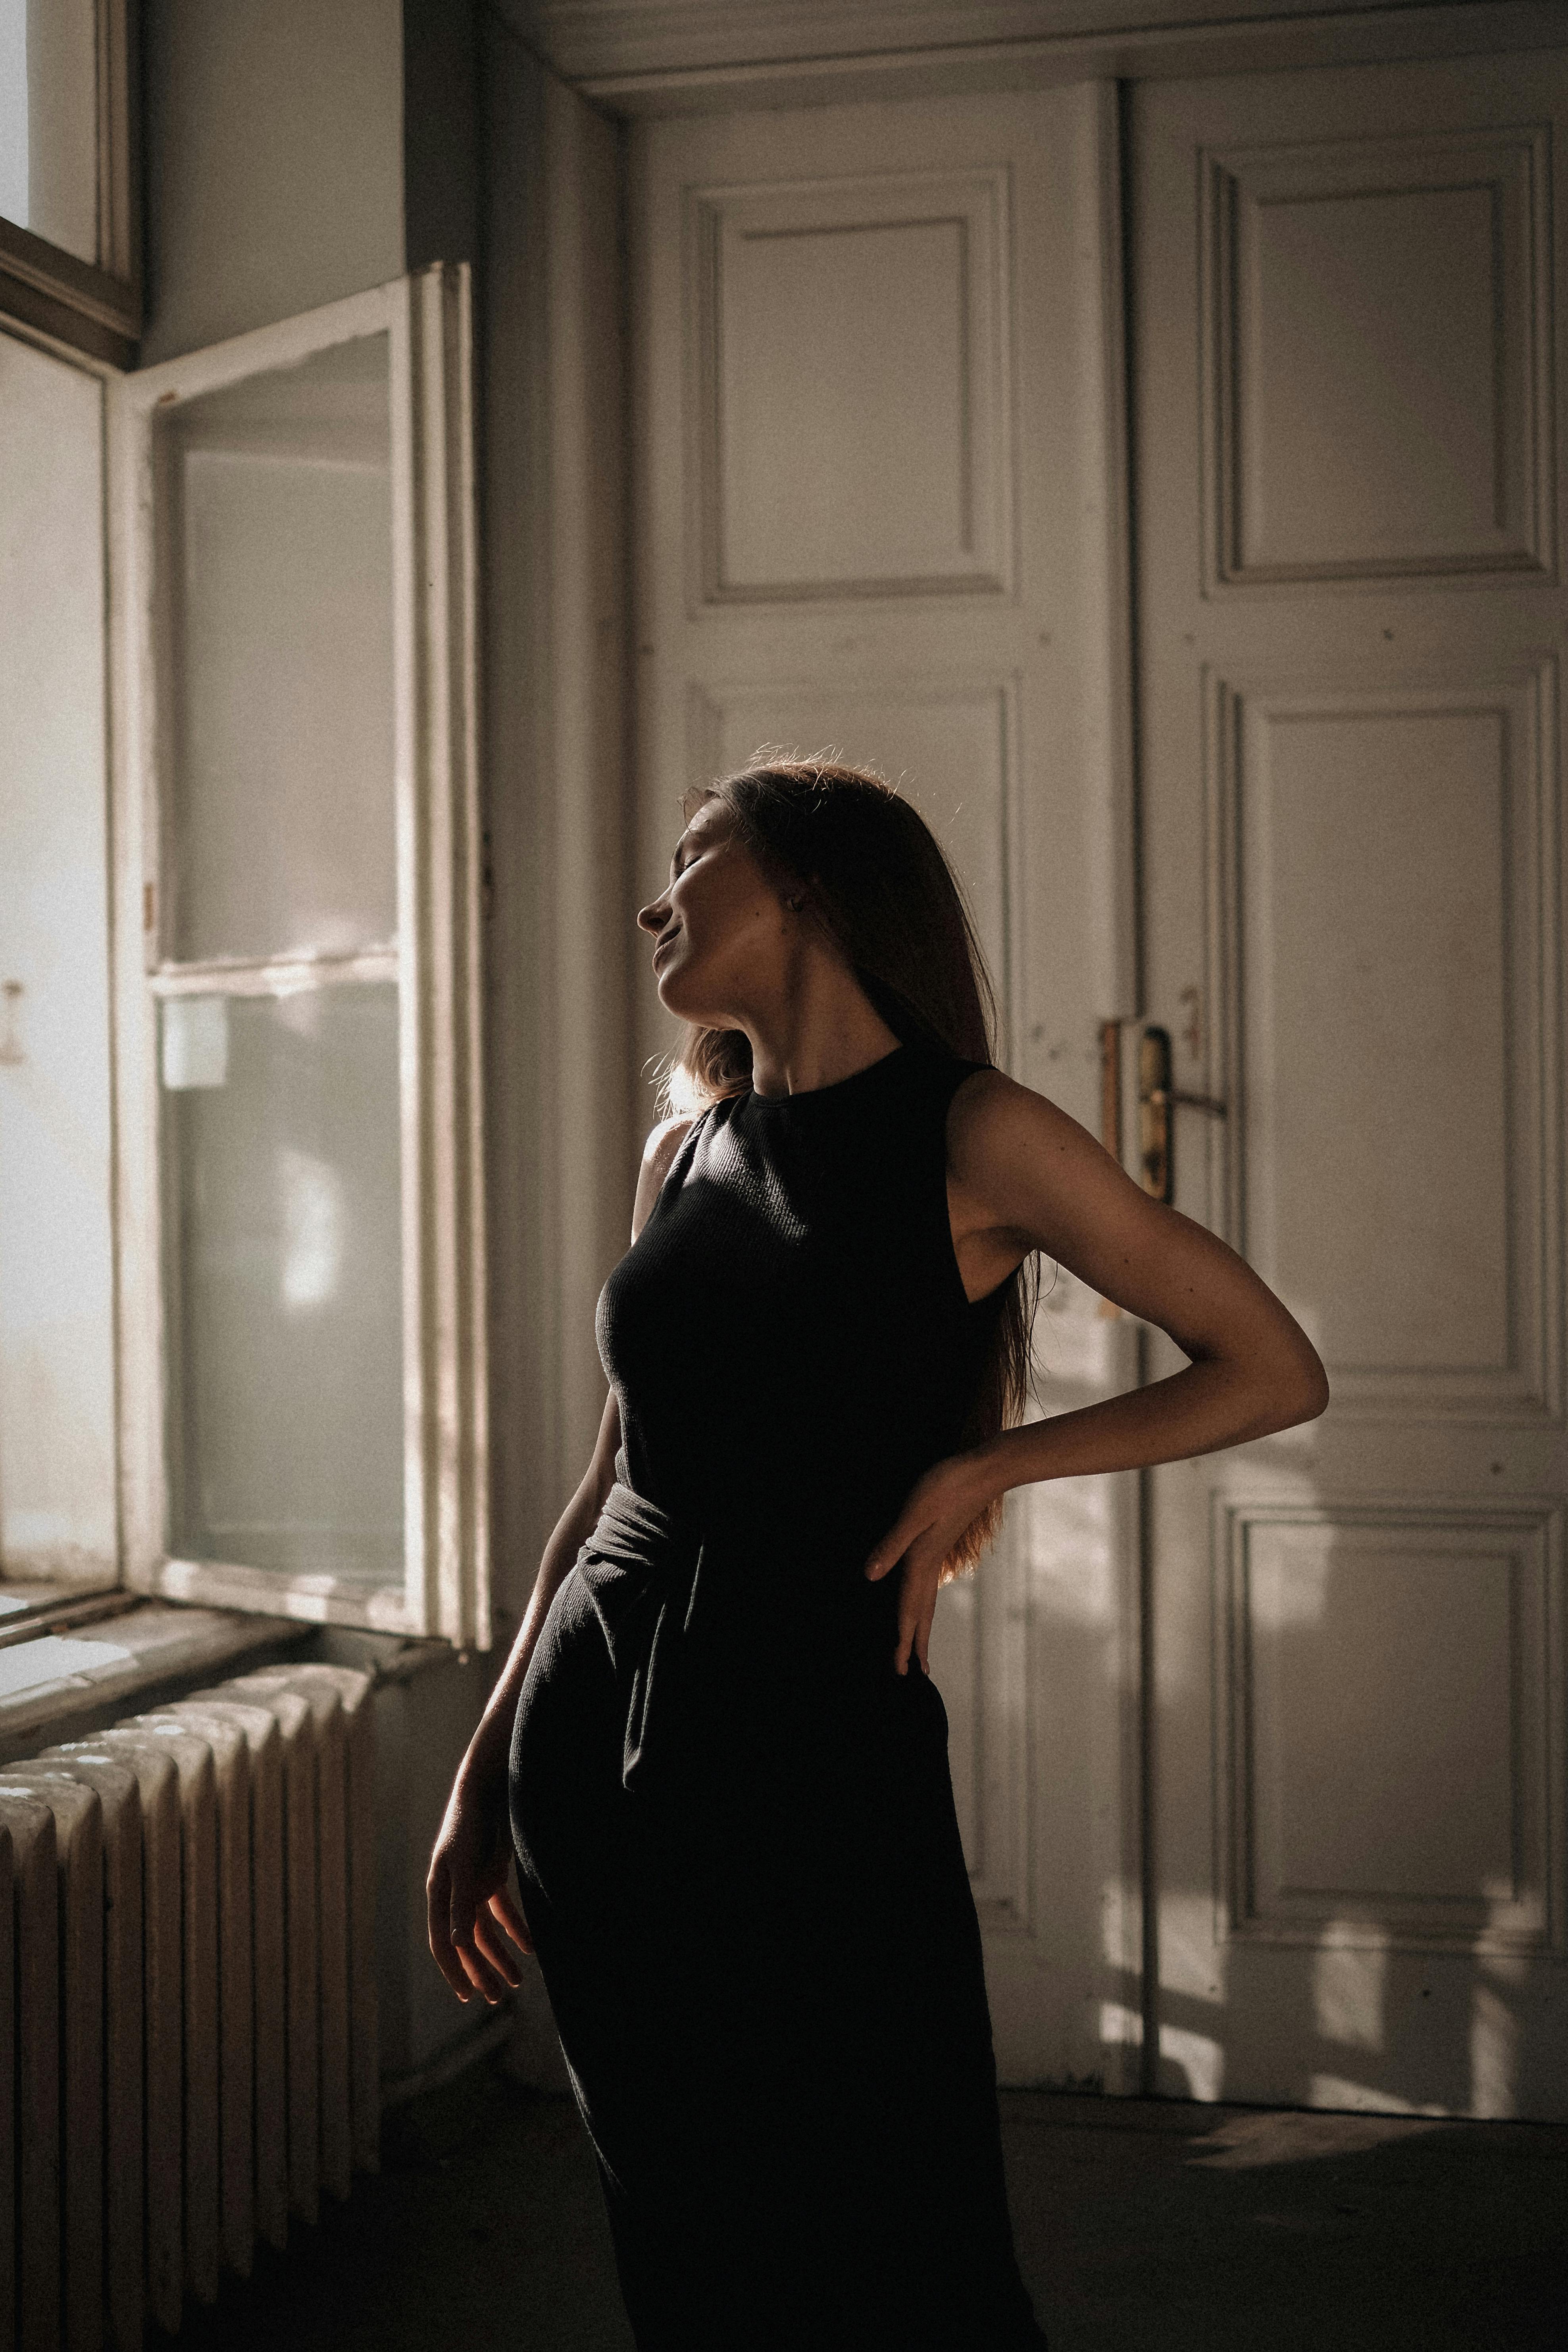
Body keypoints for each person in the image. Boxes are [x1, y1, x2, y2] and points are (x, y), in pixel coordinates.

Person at [427, 757, 1329, 2349]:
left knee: (892, 2215)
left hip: (807, 1730)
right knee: (678, 2209)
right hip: (595, 1721)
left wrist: (994, 1460)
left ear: (808, 886)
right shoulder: (686, 1151)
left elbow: (1266, 1365)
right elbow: (604, 1480)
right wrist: (482, 1771)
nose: (657, 897)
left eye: (694, 856)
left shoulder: (974, 1134)